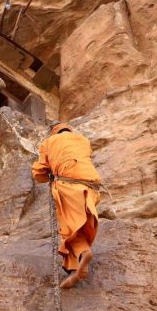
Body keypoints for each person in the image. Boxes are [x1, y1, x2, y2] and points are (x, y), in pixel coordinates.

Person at [32, 121, 101, 288]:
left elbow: (38, 174)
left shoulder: (48, 143)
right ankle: (75, 268)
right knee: (81, 224)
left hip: (70, 186)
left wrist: (48, 172)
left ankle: (84, 253)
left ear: (53, 133)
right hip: (93, 186)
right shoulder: (82, 139)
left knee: (69, 226)